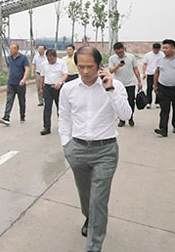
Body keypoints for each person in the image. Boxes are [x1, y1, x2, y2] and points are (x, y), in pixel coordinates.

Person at [59, 46, 131, 252]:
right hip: (77, 150)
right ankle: (89, 217)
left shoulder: (115, 85)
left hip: (105, 151)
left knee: (98, 200)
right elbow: (63, 117)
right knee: (85, 196)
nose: (85, 71)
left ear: (99, 66)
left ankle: (94, 246)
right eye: (80, 66)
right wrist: (66, 144)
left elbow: (126, 115)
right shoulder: (68, 89)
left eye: (90, 66)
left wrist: (110, 90)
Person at [108, 42, 142, 127]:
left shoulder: (131, 57)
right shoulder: (112, 58)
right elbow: (111, 71)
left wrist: (139, 81)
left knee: (131, 101)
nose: (120, 54)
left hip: (130, 83)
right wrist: (118, 66)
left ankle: (130, 117)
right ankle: (122, 119)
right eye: (117, 53)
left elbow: (135, 69)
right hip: (119, 84)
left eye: (121, 52)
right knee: (120, 102)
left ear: (124, 49)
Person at [0, 43, 30, 125]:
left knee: (22, 101)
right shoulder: (9, 58)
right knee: (9, 100)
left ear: (17, 49)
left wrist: (24, 79)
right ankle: (6, 117)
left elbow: (27, 69)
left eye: (12, 49)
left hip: (20, 84)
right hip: (11, 83)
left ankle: (22, 116)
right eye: (10, 48)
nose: (10, 50)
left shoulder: (23, 58)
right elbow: (10, 68)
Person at [38, 49, 68, 135]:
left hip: (58, 88)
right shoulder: (44, 64)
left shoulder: (62, 63)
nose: (50, 61)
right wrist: (41, 88)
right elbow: (42, 76)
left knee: (60, 108)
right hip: (47, 88)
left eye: (52, 59)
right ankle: (46, 127)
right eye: (49, 59)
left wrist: (60, 82)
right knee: (47, 108)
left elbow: (65, 74)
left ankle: (62, 126)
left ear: (55, 57)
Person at [141, 43, 163, 109]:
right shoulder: (148, 55)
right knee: (149, 88)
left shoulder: (162, 55)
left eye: (157, 50)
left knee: (158, 88)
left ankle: (157, 102)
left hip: (159, 73)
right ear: (152, 48)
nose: (156, 51)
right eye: (155, 49)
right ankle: (148, 102)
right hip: (150, 73)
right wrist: (144, 73)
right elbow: (145, 64)